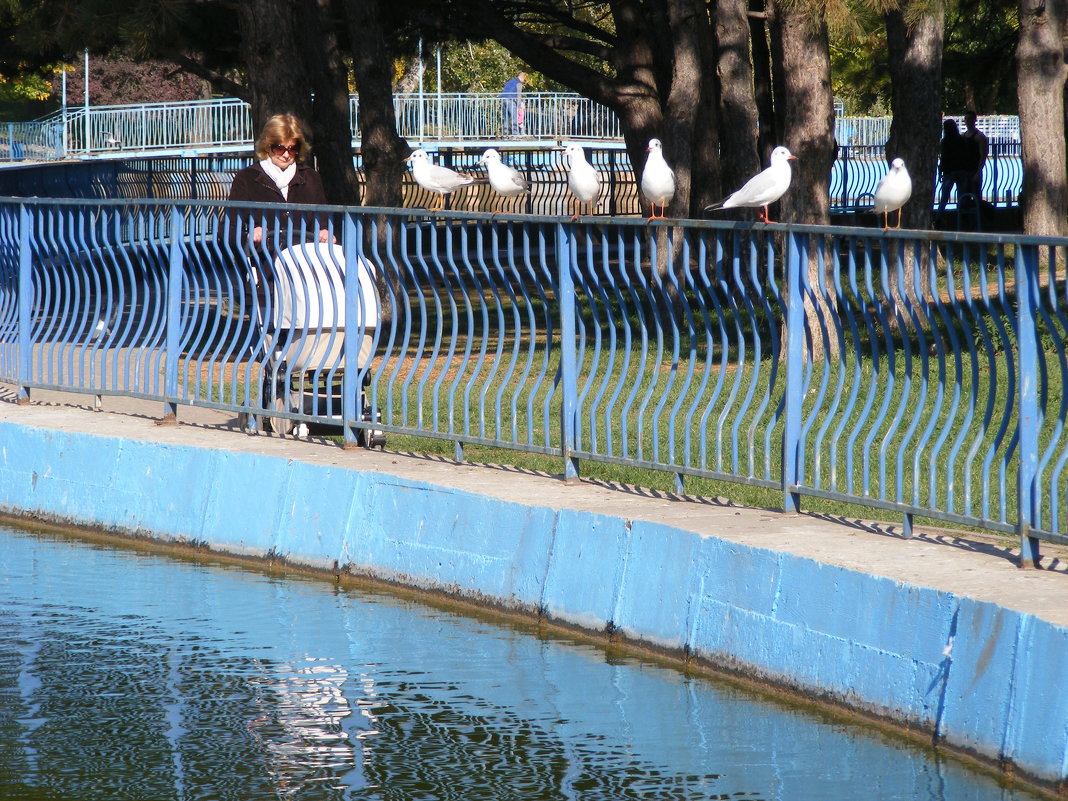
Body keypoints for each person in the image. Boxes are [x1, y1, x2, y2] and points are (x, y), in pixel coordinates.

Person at [227, 113, 332, 245]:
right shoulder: (247, 177)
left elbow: (322, 221)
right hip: (265, 256)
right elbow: (230, 227)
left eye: (293, 149)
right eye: (279, 148)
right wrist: (250, 236)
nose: (286, 155)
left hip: (303, 255)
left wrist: (324, 232)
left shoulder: (311, 177)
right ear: (267, 146)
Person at [935, 119, 970, 224]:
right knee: (962, 196)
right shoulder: (962, 140)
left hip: (949, 172)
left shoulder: (945, 141)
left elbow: (944, 158)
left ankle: (937, 219)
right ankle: (962, 220)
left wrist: (941, 170)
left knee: (944, 198)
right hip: (961, 171)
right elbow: (965, 155)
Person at [961, 110, 988, 200]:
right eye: (966, 119)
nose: (968, 121)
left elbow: (983, 155)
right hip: (964, 171)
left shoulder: (980, 137)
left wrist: (978, 172)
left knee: (976, 198)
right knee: (964, 198)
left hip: (974, 171)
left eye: (970, 119)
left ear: (974, 120)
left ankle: (978, 214)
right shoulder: (963, 136)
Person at [500, 72, 527, 137]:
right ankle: (515, 134)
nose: (524, 81)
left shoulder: (510, 81)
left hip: (503, 99)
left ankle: (505, 134)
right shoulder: (519, 83)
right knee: (514, 117)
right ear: (523, 77)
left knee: (506, 117)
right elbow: (519, 95)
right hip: (511, 100)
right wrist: (519, 106)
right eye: (525, 79)